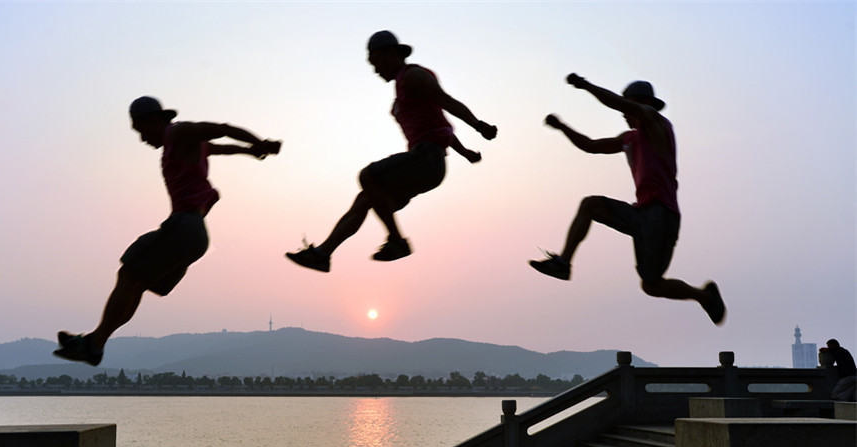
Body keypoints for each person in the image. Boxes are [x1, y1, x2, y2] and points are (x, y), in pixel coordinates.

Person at [54, 96, 281, 366]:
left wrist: (259, 143)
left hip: (185, 226)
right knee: (135, 283)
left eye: (140, 130)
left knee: (128, 273)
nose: (142, 139)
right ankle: (94, 343)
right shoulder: (181, 144)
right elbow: (220, 148)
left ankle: (93, 344)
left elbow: (223, 128)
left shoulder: (178, 132)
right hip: (192, 234)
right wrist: (251, 151)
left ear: (152, 120)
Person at [285, 30, 497, 272]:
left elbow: (445, 101)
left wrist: (479, 125)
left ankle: (397, 241)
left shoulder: (413, 76)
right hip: (427, 163)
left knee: (368, 176)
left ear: (390, 53)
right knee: (365, 199)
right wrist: (465, 152)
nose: (375, 69)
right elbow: (439, 125)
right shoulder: (402, 87)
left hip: (426, 159)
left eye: (375, 61)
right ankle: (323, 254)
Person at [530, 74, 726, 325]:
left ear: (643, 103)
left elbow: (617, 104)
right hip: (641, 213)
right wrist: (562, 127)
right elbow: (590, 145)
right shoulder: (629, 139)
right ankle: (563, 264)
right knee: (590, 205)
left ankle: (703, 296)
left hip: (661, 214)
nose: (624, 113)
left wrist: (586, 85)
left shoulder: (657, 123)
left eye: (628, 106)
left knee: (651, 285)